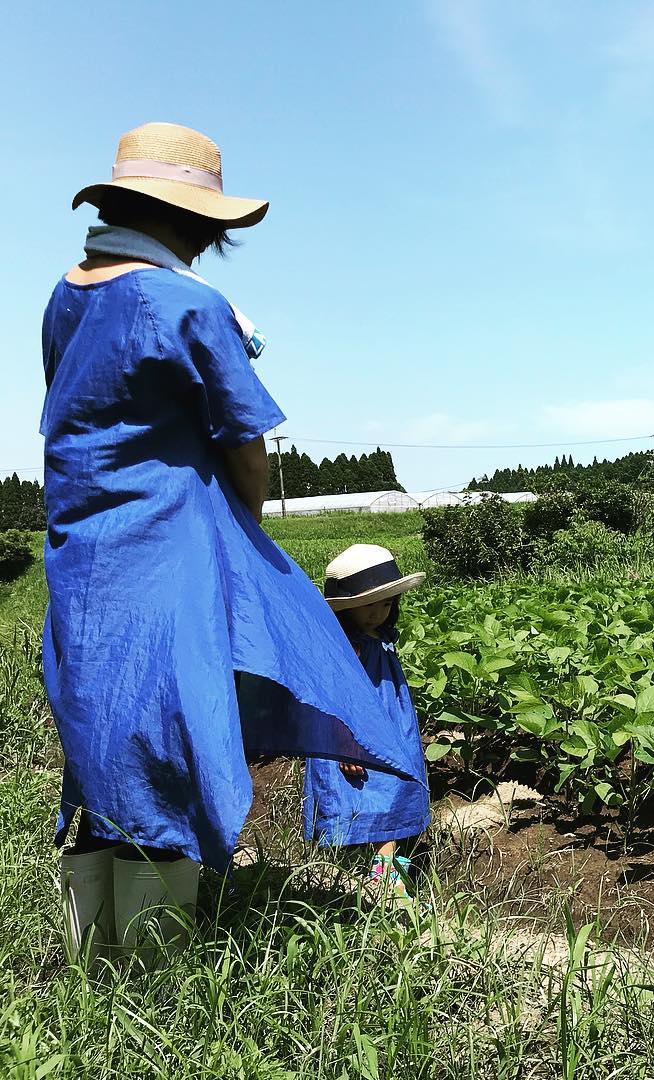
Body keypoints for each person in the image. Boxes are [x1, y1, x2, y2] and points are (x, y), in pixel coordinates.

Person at [44, 123, 425, 963]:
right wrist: (244, 541)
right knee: (170, 743)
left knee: (104, 744)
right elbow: (245, 446)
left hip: (83, 559)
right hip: (168, 554)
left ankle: (90, 970)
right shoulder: (186, 304)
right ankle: (152, 974)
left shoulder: (65, 297)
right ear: (193, 220)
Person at [305, 545, 430, 903]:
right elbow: (334, 697)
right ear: (347, 609)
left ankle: (386, 877)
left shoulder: (380, 640)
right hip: (362, 735)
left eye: (386, 604)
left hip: (390, 729)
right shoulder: (349, 646)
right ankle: (388, 884)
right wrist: (344, 742)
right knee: (379, 800)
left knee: (395, 796)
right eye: (368, 605)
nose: (378, 613)